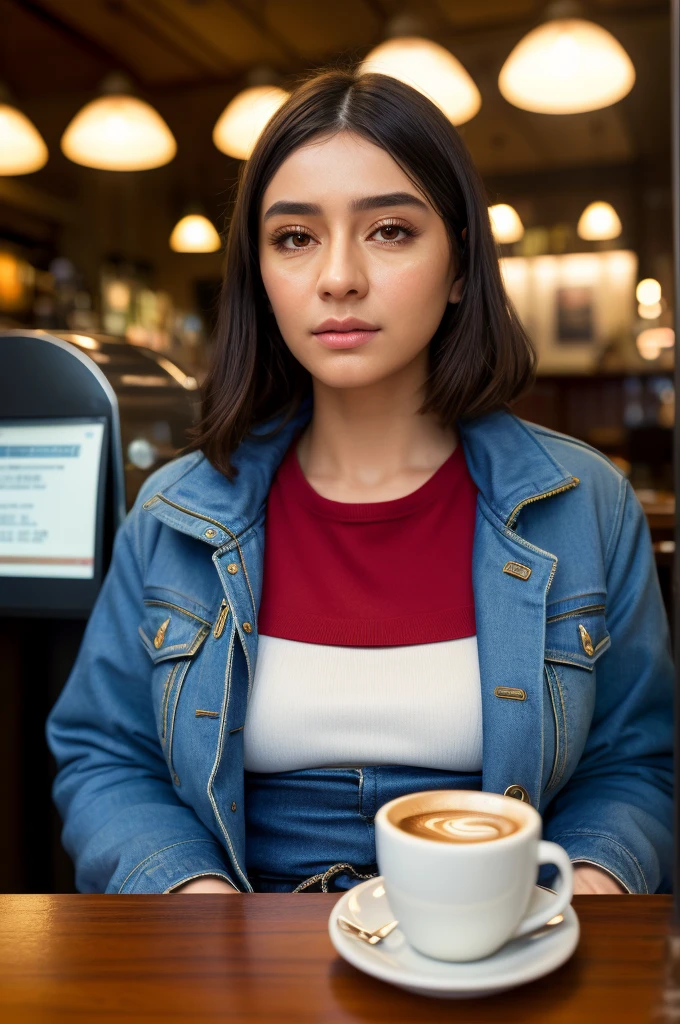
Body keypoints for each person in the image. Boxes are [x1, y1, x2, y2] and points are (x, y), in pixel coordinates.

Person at [46, 68, 673, 897]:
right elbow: (105, 756)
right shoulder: (173, 514)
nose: (338, 277)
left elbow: (637, 761)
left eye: (389, 230)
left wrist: (581, 893)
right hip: (237, 952)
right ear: (260, 277)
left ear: (459, 268)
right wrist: (194, 906)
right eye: (295, 238)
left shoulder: (584, 504)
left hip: (498, 944)